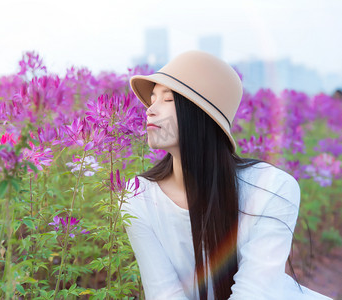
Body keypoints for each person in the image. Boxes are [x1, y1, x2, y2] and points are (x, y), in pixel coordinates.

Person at [120, 50, 333, 300]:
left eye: (167, 100)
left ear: (203, 115)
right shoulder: (137, 195)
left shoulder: (272, 187)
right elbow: (163, 293)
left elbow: (253, 293)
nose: (150, 110)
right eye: (152, 98)